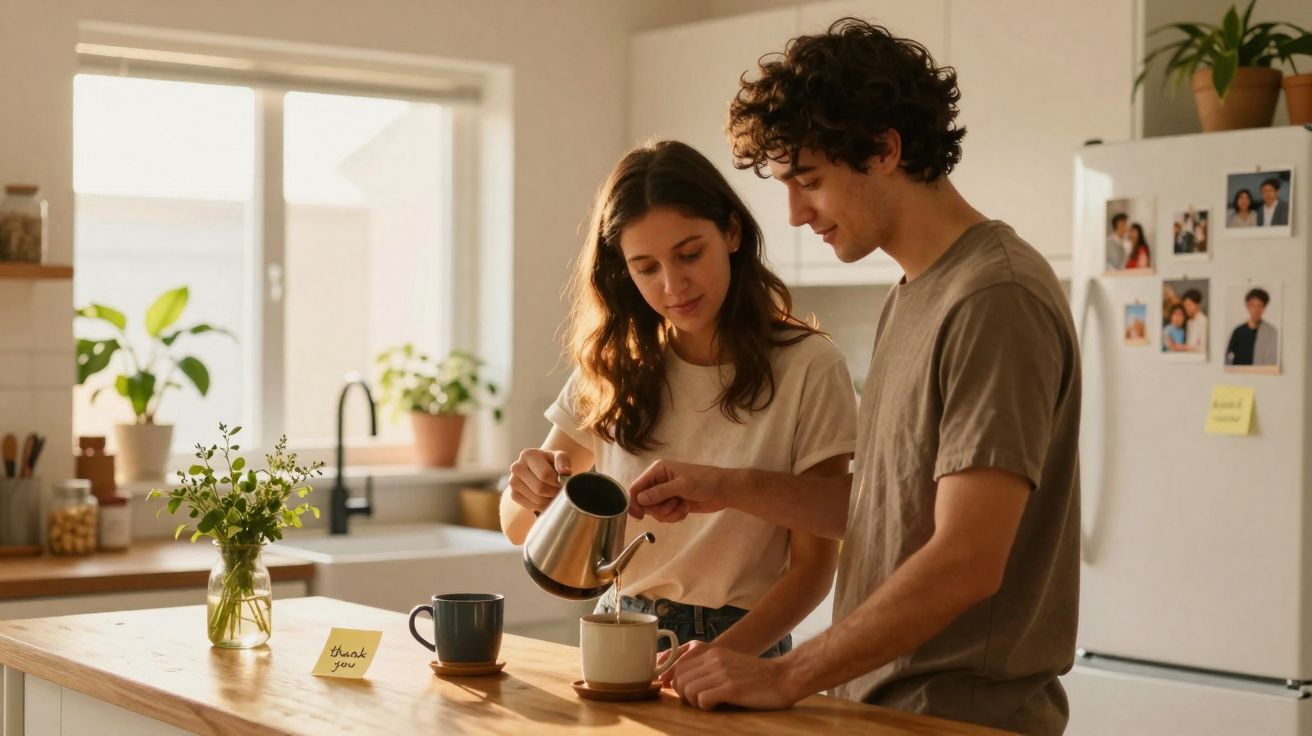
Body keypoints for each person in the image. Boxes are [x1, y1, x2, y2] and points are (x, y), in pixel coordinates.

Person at [626, 18, 1081, 735]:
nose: (797, 213)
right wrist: (727, 486)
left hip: (962, 718)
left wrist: (787, 674)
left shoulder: (995, 297)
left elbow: (967, 559)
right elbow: (893, 513)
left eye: (809, 181)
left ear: (884, 148)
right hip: (884, 707)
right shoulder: (914, 292)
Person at [499, 140, 857, 659]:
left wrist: (726, 655)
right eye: (646, 268)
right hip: (619, 632)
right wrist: (528, 489)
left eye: (690, 254)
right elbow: (514, 526)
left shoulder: (809, 367)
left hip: (743, 647)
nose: (674, 285)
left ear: (731, 232)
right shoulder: (614, 366)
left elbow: (814, 567)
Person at [1225, 287, 1278, 366]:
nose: (1256, 309)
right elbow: (1228, 358)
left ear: (1264, 307)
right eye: (1253, 306)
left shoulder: (1271, 332)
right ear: (1248, 307)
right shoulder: (1238, 332)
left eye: (1259, 306)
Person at [1181, 288, 1208, 354]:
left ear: (1197, 305)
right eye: (1185, 306)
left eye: (1189, 305)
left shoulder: (1204, 321)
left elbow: (1204, 348)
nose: (1186, 308)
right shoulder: (1189, 322)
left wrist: (1184, 347)